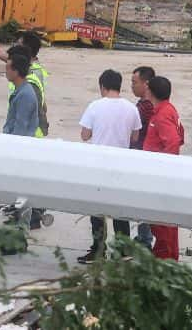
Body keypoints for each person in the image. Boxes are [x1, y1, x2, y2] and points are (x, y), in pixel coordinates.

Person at [76, 69, 142, 264]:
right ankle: (123, 249)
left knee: (97, 210)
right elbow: (135, 137)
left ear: (102, 86)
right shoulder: (131, 109)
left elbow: (85, 135)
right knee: (119, 208)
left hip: (98, 165)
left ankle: (98, 249)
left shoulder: (95, 106)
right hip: (121, 165)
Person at [142, 76, 184, 260]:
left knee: (161, 222)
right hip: (160, 173)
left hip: (159, 176)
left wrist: (164, 169)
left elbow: (173, 142)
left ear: (151, 91)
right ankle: (167, 256)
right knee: (163, 222)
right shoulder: (167, 110)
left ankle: (164, 258)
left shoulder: (162, 115)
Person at [129, 66, 156, 248]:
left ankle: (145, 239)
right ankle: (143, 237)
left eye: (134, 82)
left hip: (143, 159)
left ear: (146, 84)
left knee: (142, 202)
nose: (132, 86)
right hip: (144, 157)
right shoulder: (147, 106)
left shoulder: (145, 108)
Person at [4, 53, 39, 137]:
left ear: (16, 71)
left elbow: (20, 128)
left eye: (8, 69)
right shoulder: (20, 90)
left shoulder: (25, 95)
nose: (6, 72)